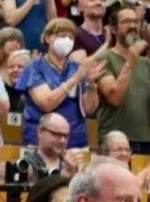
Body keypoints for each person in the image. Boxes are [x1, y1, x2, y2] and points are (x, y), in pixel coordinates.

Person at [20, 18, 101, 149]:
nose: (67, 41)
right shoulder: (34, 68)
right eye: (62, 36)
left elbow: (89, 109)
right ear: (47, 38)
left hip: (76, 141)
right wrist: (74, 79)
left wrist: (92, 86)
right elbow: (46, 103)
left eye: (71, 37)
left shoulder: (76, 67)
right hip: (40, 142)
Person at [94, 4, 150, 153]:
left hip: (144, 140)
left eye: (136, 22)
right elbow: (114, 98)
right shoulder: (103, 59)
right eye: (126, 22)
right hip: (113, 141)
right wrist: (130, 60)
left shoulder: (148, 65)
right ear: (113, 29)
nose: (132, 26)